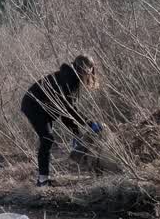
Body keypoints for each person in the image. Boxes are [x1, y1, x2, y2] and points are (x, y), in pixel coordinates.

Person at [20, 55, 100, 187]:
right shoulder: (69, 79)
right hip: (32, 104)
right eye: (86, 69)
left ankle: (43, 180)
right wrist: (90, 124)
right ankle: (43, 181)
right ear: (79, 68)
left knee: (48, 139)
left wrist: (76, 133)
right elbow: (67, 110)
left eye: (90, 69)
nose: (89, 72)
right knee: (47, 138)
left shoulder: (73, 78)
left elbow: (66, 111)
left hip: (44, 107)